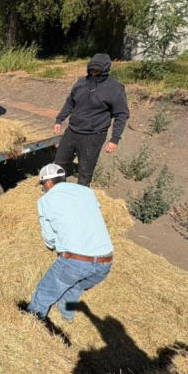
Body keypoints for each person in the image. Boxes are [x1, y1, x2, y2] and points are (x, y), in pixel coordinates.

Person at [26, 164, 114, 323]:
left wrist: (52, 245)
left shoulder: (45, 200)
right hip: (105, 263)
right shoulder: (87, 191)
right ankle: (67, 313)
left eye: (43, 185)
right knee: (76, 286)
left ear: (49, 182)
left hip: (76, 262)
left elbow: (49, 238)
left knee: (45, 291)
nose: (44, 189)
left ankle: (31, 321)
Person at [53, 53, 129, 187]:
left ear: (105, 70)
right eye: (91, 70)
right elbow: (70, 102)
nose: (93, 73)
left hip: (94, 135)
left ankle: (82, 194)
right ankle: (58, 190)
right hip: (72, 130)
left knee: (85, 171)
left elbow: (121, 114)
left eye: (97, 71)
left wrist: (114, 139)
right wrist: (59, 119)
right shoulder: (81, 82)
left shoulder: (115, 88)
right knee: (59, 162)